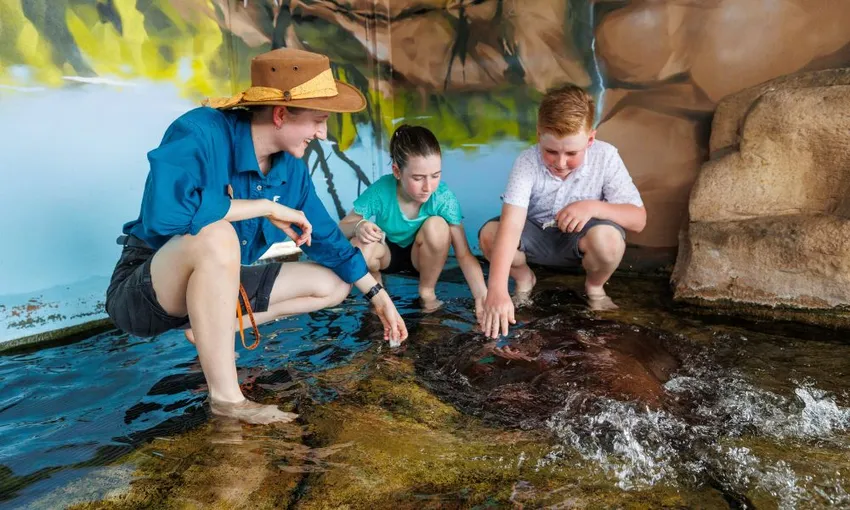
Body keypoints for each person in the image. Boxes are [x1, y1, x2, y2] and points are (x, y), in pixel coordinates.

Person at [105, 48, 408, 425]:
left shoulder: (292, 170)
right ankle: (228, 401)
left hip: (216, 291)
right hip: (145, 293)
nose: (322, 133)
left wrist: (379, 298)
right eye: (317, 120)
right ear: (280, 114)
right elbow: (167, 214)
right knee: (217, 236)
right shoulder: (200, 132)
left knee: (333, 285)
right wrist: (264, 206)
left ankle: (209, 330)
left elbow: (328, 240)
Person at [479, 84, 646, 339]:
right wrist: (497, 289)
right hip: (535, 236)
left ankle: (595, 287)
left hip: (580, 242)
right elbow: (512, 225)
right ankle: (525, 279)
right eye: (551, 151)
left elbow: (638, 220)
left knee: (609, 241)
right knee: (491, 233)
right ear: (538, 135)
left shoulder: (606, 156)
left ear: (590, 139)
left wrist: (592, 206)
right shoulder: (527, 161)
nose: (560, 162)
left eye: (571, 153)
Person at [338, 125, 487, 317]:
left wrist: (483, 296)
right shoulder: (381, 190)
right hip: (386, 254)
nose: (428, 187)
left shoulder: (442, 197)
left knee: (437, 225)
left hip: (422, 258)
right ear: (397, 171)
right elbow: (342, 228)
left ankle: (427, 292)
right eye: (418, 178)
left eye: (435, 176)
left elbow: (464, 254)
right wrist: (359, 226)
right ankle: (377, 292)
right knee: (359, 242)